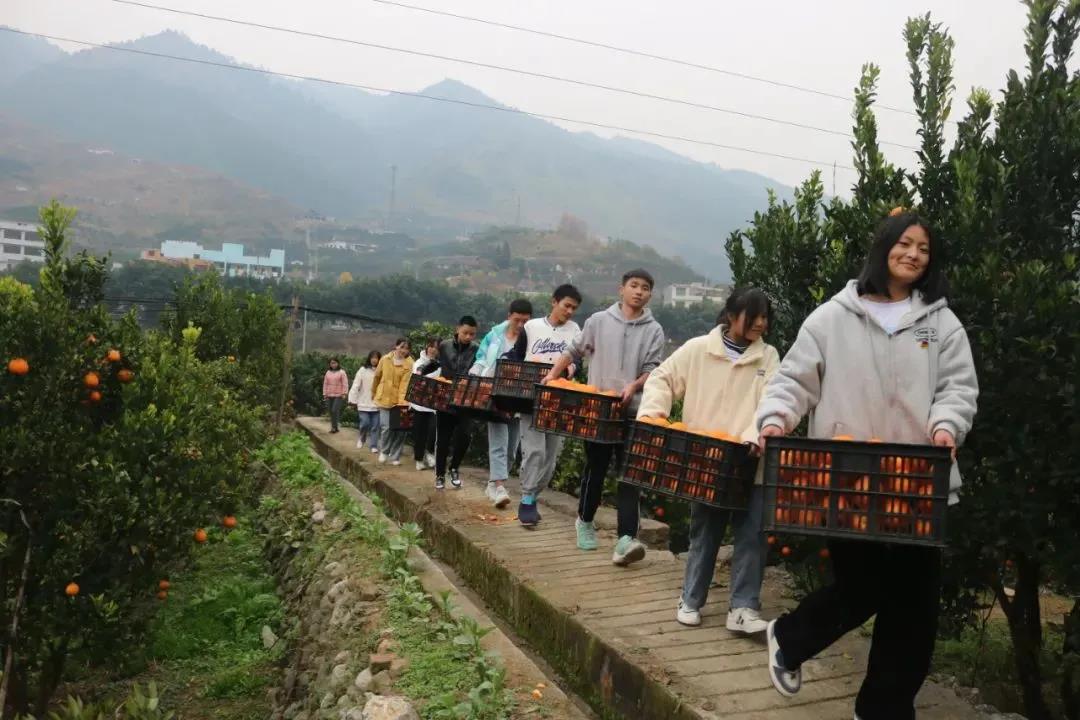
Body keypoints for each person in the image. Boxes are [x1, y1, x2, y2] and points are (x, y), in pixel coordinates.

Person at [756, 211, 978, 718]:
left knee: (916, 609)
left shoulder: (941, 322)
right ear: (884, 249)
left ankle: (882, 709)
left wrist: (946, 426)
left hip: (918, 481)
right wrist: (775, 419)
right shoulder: (832, 317)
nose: (914, 255)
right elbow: (795, 379)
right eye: (905, 244)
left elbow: (958, 389)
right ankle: (790, 636)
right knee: (864, 587)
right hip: (848, 480)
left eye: (923, 247)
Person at [636, 288, 779, 633]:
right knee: (705, 531)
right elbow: (662, 378)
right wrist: (653, 414)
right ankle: (691, 598)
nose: (760, 323)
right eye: (753, 316)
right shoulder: (699, 349)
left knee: (752, 533)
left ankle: (743, 608)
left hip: (750, 457)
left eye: (765, 317)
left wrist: (753, 433)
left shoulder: (768, 356)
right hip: (707, 460)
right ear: (731, 316)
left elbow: (773, 400)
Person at [545, 269, 665, 566]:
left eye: (645, 288)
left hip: (633, 412)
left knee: (629, 477)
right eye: (634, 286)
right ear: (621, 289)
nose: (639, 291)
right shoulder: (598, 322)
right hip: (598, 410)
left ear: (650, 294)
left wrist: (635, 385)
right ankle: (584, 520)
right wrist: (551, 376)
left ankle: (626, 540)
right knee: (595, 468)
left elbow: (654, 368)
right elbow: (572, 352)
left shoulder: (654, 330)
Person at [506, 284, 582, 527]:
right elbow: (516, 357)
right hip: (532, 398)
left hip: (559, 402)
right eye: (566, 305)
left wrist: (570, 369)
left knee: (550, 459)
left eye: (574, 308)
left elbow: (578, 362)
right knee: (535, 451)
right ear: (554, 301)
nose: (569, 311)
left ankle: (533, 496)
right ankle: (526, 499)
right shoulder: (531, 327)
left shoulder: (575, 331)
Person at [471, 298, 534, 509]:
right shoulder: (495, 335)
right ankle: (499, 486)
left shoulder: (531, 339)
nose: (521, 325)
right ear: (509, 316)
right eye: (517, 320)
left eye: (525, 321)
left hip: (519, 399)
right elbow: (481, 357)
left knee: (511, 448)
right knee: (498, 442)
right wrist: (476, 373)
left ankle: (493, 483)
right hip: (496, 395)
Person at [434, 316, 479, 490]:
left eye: (472, 334)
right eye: (465, 333)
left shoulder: (477, 349)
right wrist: (424, 370)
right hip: (445, 397)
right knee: (443, 438)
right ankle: (439, 474)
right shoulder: (444, 345)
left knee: (465, 436)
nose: (468, 337)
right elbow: (438, 364)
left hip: (466, 399)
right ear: (457, 329)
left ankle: (454, 468)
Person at [371, 338, 415, 466]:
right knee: (386, 427)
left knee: (400, 430)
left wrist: (402, 404)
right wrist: (373, 392)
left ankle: (395, 456)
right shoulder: (385, 359)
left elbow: (405, 385)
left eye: (407, 348)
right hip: (384, 397)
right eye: (402, 347)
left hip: (400, 401)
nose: (404, 350)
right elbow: (377, 376)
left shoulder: (410, 364)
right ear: (395, 347)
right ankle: (384, 451)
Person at [410, 338, 441, 472]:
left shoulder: (441, 364)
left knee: (433, 430)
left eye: (436, 347)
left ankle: (429, 453)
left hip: (433, 404)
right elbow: (419, 377)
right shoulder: (419, 363)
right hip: (419, 404)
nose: (433, 349)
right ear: (427, 347)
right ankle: (418, 458)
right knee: (419, 432)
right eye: (431, 346)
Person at [348, 350, 382, 452]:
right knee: (365, 423)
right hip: (363, 402)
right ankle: (362, 437)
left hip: (376, 403)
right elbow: (356, 385)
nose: (374, 360)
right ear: (369, 358)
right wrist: (352, 399)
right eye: (372, 357)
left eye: (376, 358)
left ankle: (374, 446)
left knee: (375, 426)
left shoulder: (381, 371)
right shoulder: (362, 370)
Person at [322, 357, 349, 434]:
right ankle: (335, 427)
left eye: (335, 363)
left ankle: (334, 427)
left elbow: (345, 383)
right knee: (331, 411)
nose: (333, 365)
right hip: (329, 394)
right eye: (331, 363)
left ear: (338, 363)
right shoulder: (328, 372)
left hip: (338, 395)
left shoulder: (342, 372)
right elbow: (325, 383)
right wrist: (324, 393)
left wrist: (344, 393)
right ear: (329, 364)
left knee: (334, 410)